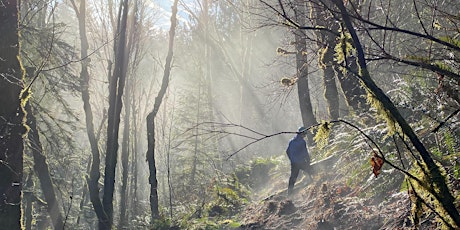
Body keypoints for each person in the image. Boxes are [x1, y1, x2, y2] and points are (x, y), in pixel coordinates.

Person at [286, 126, 313, 196]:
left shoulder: (291, 141)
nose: (305, 135)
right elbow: (305, 153)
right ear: (302, 134)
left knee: (293, 178)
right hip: (301, 162)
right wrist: (308, 161)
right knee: (310, 170)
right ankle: (313, 182)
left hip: (294, 163)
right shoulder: (302, 142)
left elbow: (287, 151)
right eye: (305, 134)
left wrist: (291, 159)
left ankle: (289, 193)